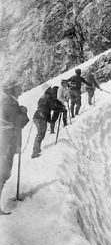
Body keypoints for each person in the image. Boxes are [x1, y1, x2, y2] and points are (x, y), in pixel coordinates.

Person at [0, 80, 29, 215]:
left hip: (6, 142)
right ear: (11, 91)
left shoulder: (7, 102)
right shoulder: (9, 104)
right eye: (17, 88)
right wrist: (23, 112)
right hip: (6, 144)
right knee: (2, 175)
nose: (20, 90)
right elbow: (19, 122)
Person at [31, 87, 65, 158]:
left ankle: (37, 149)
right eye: (49, 89)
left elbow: (44, 107)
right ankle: (35, 152)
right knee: (40, 134)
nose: (51, 90)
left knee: (40, 133)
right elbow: (53, 107)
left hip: (37, 116)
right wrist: (61, 108)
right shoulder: (49, 98)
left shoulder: (41, 98)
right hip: (42, 117)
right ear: (47, 90)